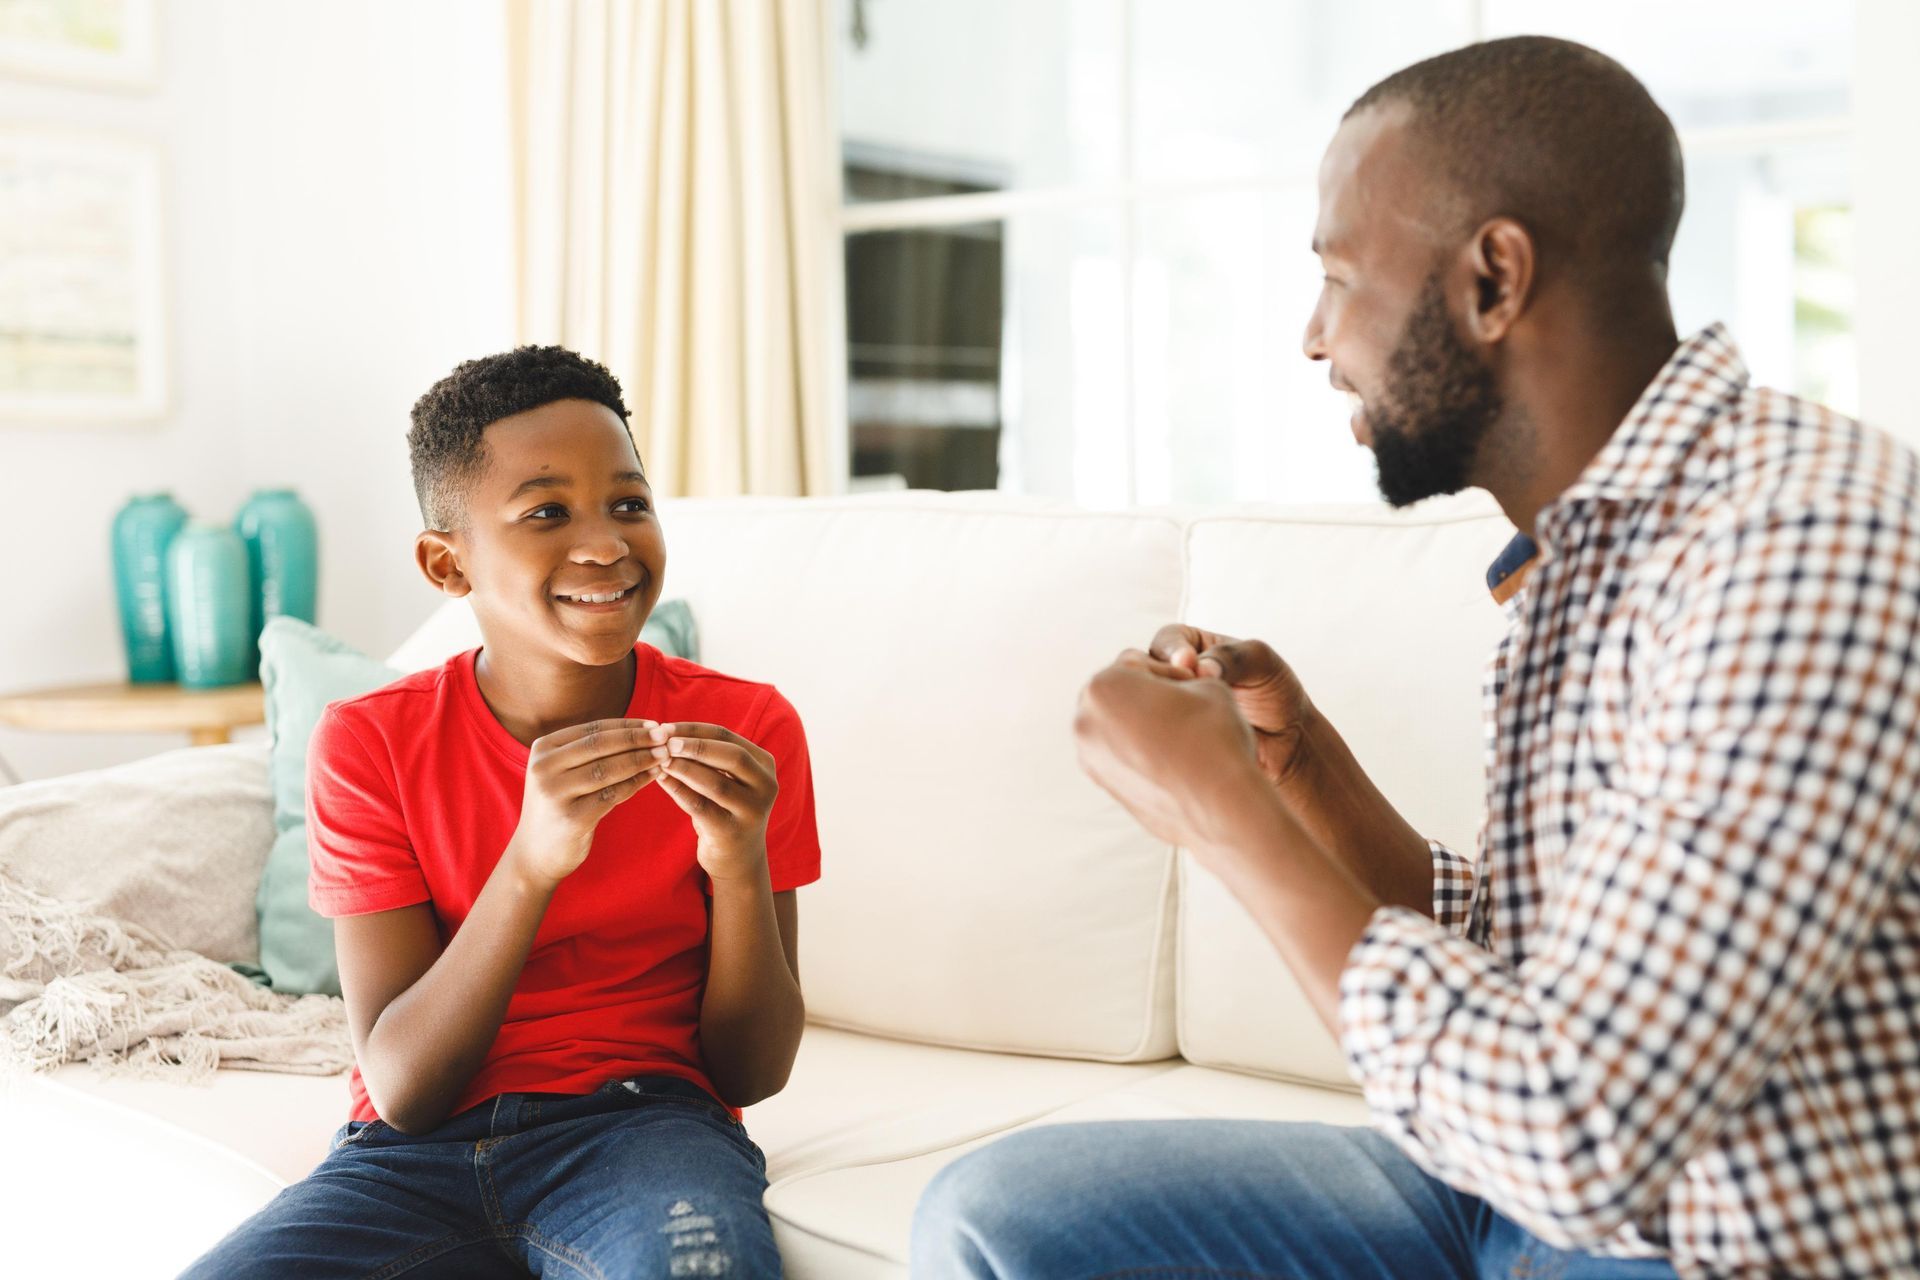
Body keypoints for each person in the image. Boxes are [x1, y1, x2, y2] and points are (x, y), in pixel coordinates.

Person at [912, 36, 1920, 1280]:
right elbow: (1524, 967)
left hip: (1707, 1238)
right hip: (1505, 1197)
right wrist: (1294, 762)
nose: (1313, 337)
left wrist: (1223, 812)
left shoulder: (1800, 545)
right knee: (1000, 1212)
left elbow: (1582, 1129)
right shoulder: (1588, 546)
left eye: (1338, 277)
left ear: (1493, 280)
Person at [184, 347, 818, 1278]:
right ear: (448, 564)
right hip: (408, 1161)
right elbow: (404, 1090)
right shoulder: (371, 743)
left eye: (629, 503)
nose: (606, 544)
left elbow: (752, 1073)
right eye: (548, 513)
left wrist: (738, 860)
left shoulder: (746, 730)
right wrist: (529, 864)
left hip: (649, 1133)